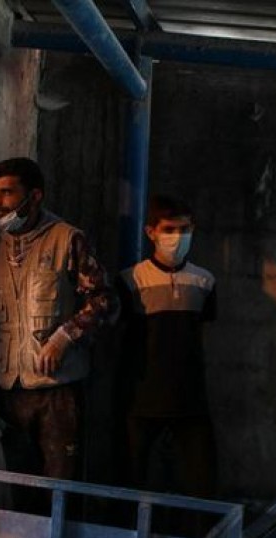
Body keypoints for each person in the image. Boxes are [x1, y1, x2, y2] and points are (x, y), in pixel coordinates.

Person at [0, 157, 118, 482]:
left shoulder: (67, 239)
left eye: (7, 193)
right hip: (11, 390)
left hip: (58, 392)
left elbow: (106, 300)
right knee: (19, 489)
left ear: (35, 196)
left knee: (59, 488)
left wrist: (64, 337)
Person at [116, 194, 217, 500]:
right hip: (141, 397)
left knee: (202, 482)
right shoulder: (131, 280)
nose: (177, 238)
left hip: (190, 397)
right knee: (130, 481)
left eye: (184, 230)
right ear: (151, 232)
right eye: (169, 230)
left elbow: (203, 333)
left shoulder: (204, 281)